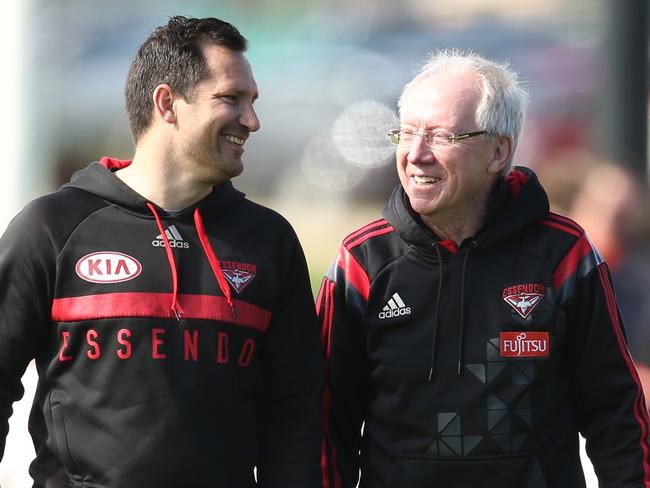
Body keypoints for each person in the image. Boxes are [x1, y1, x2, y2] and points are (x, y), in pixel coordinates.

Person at [0, 16, 322, 488]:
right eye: (231, 99)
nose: (252, 121)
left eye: (252, 103)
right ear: (167, 103)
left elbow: (295, 411)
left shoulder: (269, 240)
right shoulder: (52, 227)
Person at [318, 50, 650, 488]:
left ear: (499, 152)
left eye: (441, 137)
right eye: (407, 133)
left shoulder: (563, 253)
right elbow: (323, 422)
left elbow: (616, 414)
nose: (416, 154)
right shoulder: (362, 261)